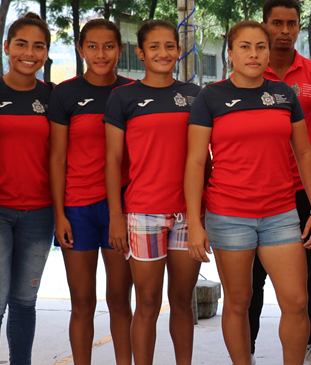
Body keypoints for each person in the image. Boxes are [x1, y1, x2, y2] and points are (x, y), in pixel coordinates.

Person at [185, 21, 311, 365]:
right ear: (229, 53)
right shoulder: (210, 97)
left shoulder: (283, 94)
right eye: (245, 46)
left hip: (280, 214)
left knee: (296, 301)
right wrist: (194, 221)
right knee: (239, 301)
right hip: (229, 215)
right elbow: (195, 160)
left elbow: (305, 153)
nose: (254, 53)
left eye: (260, 46)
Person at [104, 20, 203, 365]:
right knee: (147, 303)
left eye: (170, 45)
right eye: (155, 46)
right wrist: (117, 216)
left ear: (179, 50)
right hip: (143, 212)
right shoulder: (123, 97)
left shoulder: (195, 95)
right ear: (140, 53)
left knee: (182, 301)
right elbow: (113, 161)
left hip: (188, 214)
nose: (163, 53)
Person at [250, 0, 311, 365]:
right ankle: (246, 349)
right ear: (265, 24)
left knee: (305, 280)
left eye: (291, 24)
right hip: (252, 193)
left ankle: (310, 346)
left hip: (299, 193)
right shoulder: (248, 72)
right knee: (251, 283)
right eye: (277, 23)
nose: (284, 32)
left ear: (299, 27)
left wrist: (301, 166)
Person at [48, 18, 134, 365]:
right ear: (81, 49)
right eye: (93, 46)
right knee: (82, 301)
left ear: (120, 50)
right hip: (77, 209)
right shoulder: (64, 93)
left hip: (122, 206)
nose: (101, 54)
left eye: (109, 46)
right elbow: (56, 157)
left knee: (119, 299)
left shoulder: (131, 92)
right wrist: (59, 215)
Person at [0, 13, 56, 365]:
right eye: (21, 44)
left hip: (40, 213)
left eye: (38, 46)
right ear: (6, 47)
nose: (29, 53)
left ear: (47, 53)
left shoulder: (53, 97)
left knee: (25, 301)